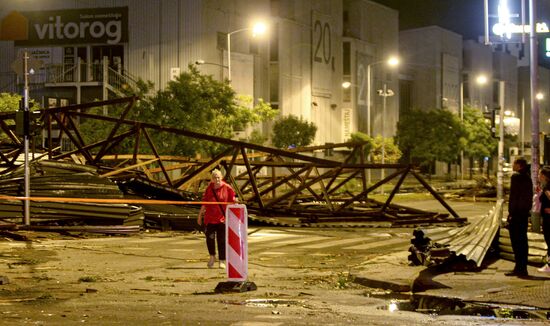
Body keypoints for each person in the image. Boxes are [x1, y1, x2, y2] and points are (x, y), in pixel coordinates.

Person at [197, 169, 236, 269]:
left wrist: (232, 217)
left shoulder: (227, 188)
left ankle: (222, 260)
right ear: (212, 179)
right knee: (209, 238)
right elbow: (205, 202)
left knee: (222, 240)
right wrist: (200, 215)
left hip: (222, 218)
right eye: (215, 177)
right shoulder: (209, 188)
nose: (217, 179)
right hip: (210, 218)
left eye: (218, 177)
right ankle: (212, 257)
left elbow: (233, 202)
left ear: (221, 177)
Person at [505, 158, 533, 277]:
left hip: (516, 214)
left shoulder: (516, 177)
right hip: (524, 214)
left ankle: (519, 268)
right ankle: (522, 268)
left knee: (516, 242)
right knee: (522, 241)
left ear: (519, 165)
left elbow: (514, 197)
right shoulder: (528, 177)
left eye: (514, 164)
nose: (512, 166)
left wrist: (511, 213)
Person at [537, 166, 550, 273]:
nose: (538, 176)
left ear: (544, 176)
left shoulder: (547, 187)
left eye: (540, 174)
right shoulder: (544, 186)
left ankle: (549, 266)